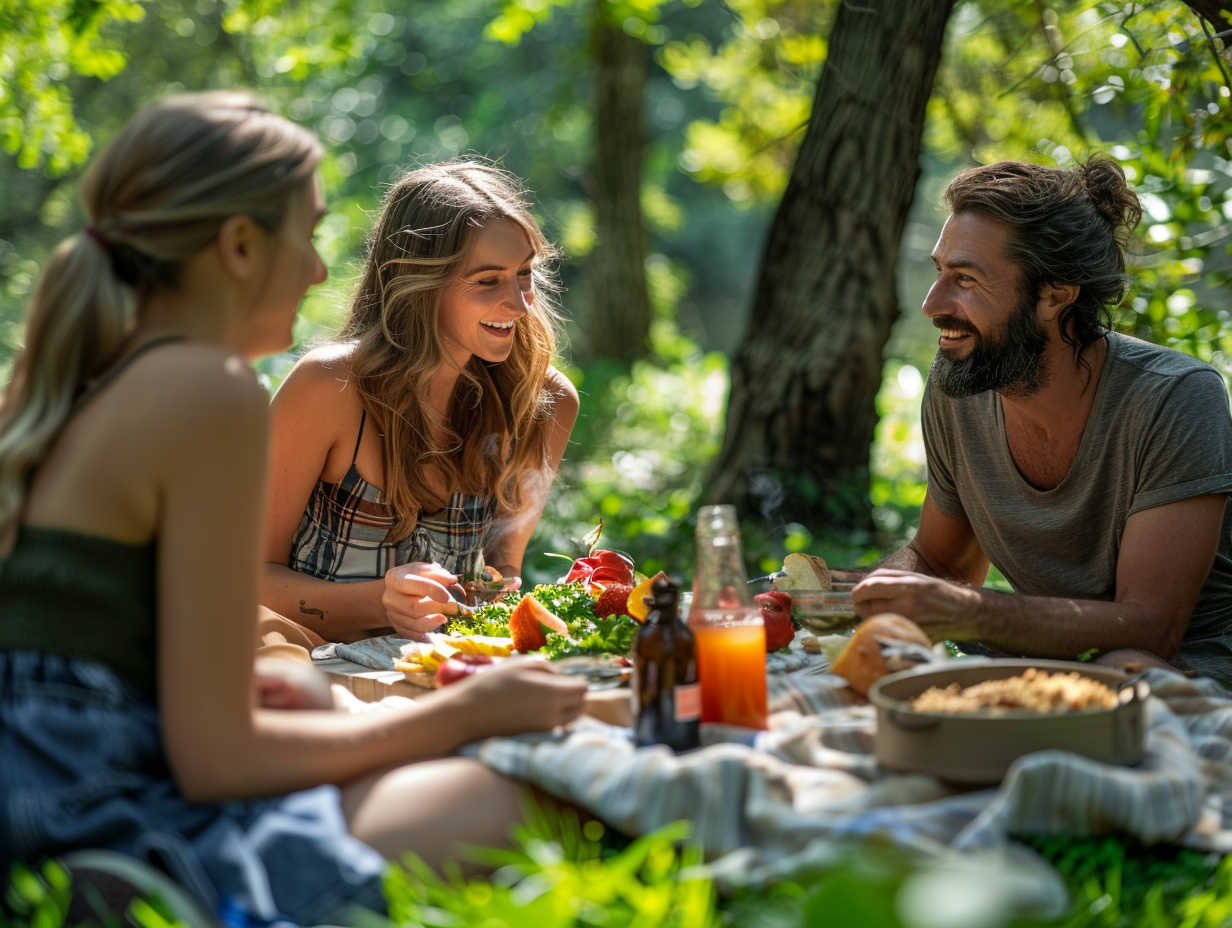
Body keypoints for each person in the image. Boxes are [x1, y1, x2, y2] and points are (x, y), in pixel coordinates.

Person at [0, 91, 588, 926]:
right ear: (239, 244)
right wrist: (466, 712)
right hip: (99, 787)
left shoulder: (63, 378)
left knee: (329, 720)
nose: (320, 270)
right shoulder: (216, 393)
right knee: (514, 800)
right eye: (306, 234)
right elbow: (218, 761)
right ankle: (165, 879)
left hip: (42, 757)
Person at [852, 157, 1232, 684]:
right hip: (1040, 662)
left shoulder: (1175, 398)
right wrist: (851, 597)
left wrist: (975, 612)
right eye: (940, 272)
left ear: (1055, 294)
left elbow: (1153, 627)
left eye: (965, 278)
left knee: (1127, 670)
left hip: (1180, 666)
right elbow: (940, 563)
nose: (931, 304)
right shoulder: (960, 383)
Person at [260, 159, 578, 646]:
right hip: (305, 677)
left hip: (433, 679)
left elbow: (498, 576)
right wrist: (379, 602)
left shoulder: (545, 402)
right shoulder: (327, 387)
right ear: (420, 283)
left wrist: (502, 595)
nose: (519, 303)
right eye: (488, 280)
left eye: (524, 274)